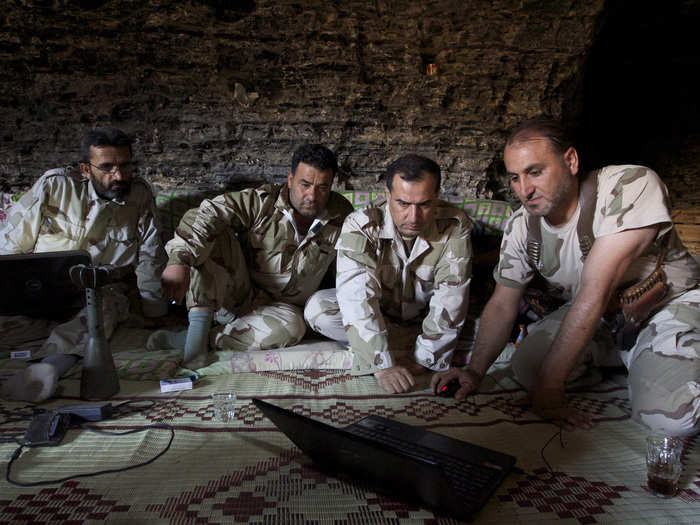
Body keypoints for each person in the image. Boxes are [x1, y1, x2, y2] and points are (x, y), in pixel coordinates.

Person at [431, 116, 700, 436]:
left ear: (570, 161)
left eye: (535, 172)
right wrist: (475, 371)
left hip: (664, 306)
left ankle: (659, 358)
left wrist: (550, 387)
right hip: (605, 317)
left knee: (671, 415)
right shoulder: (522, 226)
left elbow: (594, 289)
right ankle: (638, 360)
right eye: (515, 178)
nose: (524, 190)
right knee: (527, 367)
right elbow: (503, 303)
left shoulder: (629, 186)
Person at [0, 126, 168, 402]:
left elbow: (151, 255)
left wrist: (154, 310)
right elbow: (9, 247)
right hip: (40, 293)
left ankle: (47, 368)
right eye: (107, 167)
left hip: (99, 294)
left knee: (101, 313)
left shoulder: (139, 195)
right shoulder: (54, 185)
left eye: (125, 165)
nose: (119, 175)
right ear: (86, 169)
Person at [154, 144, 353, 364]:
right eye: (304, 184)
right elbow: (205, 213)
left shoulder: (341, 213)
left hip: (286, 311)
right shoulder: (261, 201)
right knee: (215, 231)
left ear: (331, 185)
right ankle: (197, 335)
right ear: (290, 180)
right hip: (238, 294)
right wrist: (178, 261)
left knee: (293, 329)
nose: (312, 196)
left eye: (322, 187)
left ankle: (199, 339)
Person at [304, 154, 473, 393]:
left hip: (424, 318)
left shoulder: (455, 225)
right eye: (403, 204)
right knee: (318, 309)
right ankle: (394, 344)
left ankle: (420, 346)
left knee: (483, 325)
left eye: (424, 204)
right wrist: (380, 364)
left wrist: (422, 360)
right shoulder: (361, 224)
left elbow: (452, 296)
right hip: (381, 316)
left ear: (436, 197)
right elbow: (356, 295)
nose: (413, 217)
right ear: (387, 196)